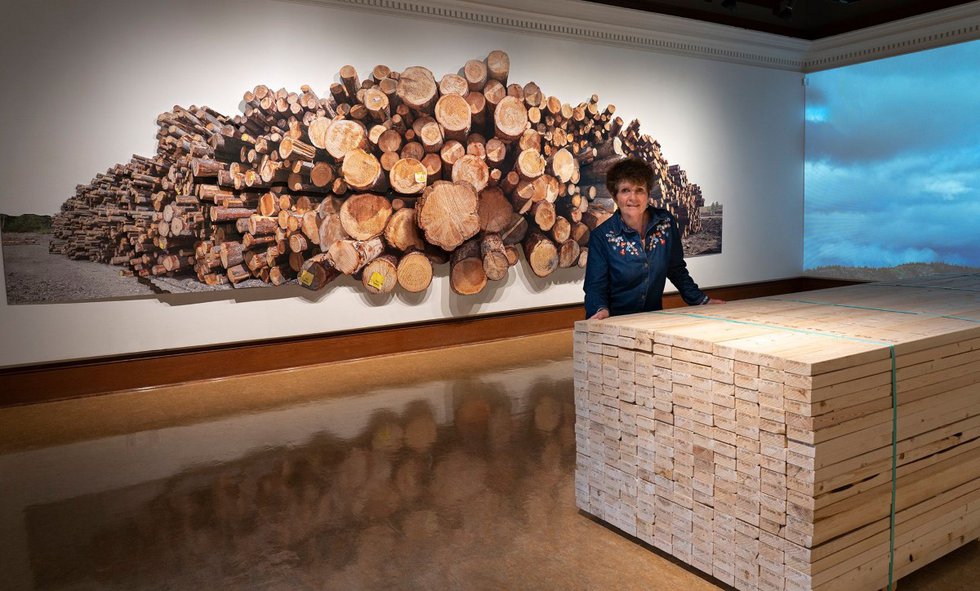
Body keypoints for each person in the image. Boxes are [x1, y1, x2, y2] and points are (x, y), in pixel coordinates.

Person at [584, 157, 723, 320]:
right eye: (625, 190)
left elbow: (676, 270)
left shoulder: (665, 223)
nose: (633, 198)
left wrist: (701, 300)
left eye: (639, 190)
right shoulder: (602, 236)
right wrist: (600, 310)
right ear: (615, 196)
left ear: (648, 194)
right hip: (615, 322)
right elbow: (595, 286)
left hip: (653, 320)